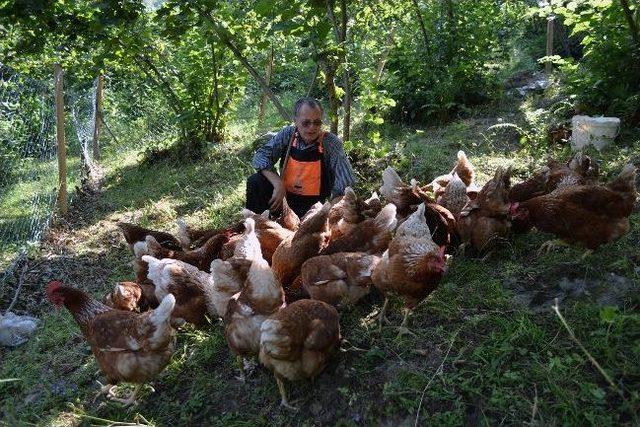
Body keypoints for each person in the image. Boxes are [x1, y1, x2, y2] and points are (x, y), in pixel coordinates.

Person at [246, 97, 356, 218]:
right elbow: (261, 156)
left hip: (314, 209)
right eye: (306, 123)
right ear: (296, 121)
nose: (312, 127)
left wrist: (330, 211)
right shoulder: (288, 134)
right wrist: (278, 184)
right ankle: (257, 226)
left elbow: (345, 183)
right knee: (255, 181)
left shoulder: (330, 143)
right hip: (283, 201)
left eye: (317, 122)